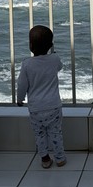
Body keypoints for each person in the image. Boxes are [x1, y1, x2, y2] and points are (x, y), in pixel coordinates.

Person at [17, 25, 66, 168]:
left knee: (40, 134)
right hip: (54, 106)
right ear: (50, 45)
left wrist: (20, 99)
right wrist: (52, 52)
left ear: (30, 45)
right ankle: (60, 158)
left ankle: (45, 159)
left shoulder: (27, 64)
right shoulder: (54, 59)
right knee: (56, 133)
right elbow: (59, 67)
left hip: (36, 108)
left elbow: (22, 85)